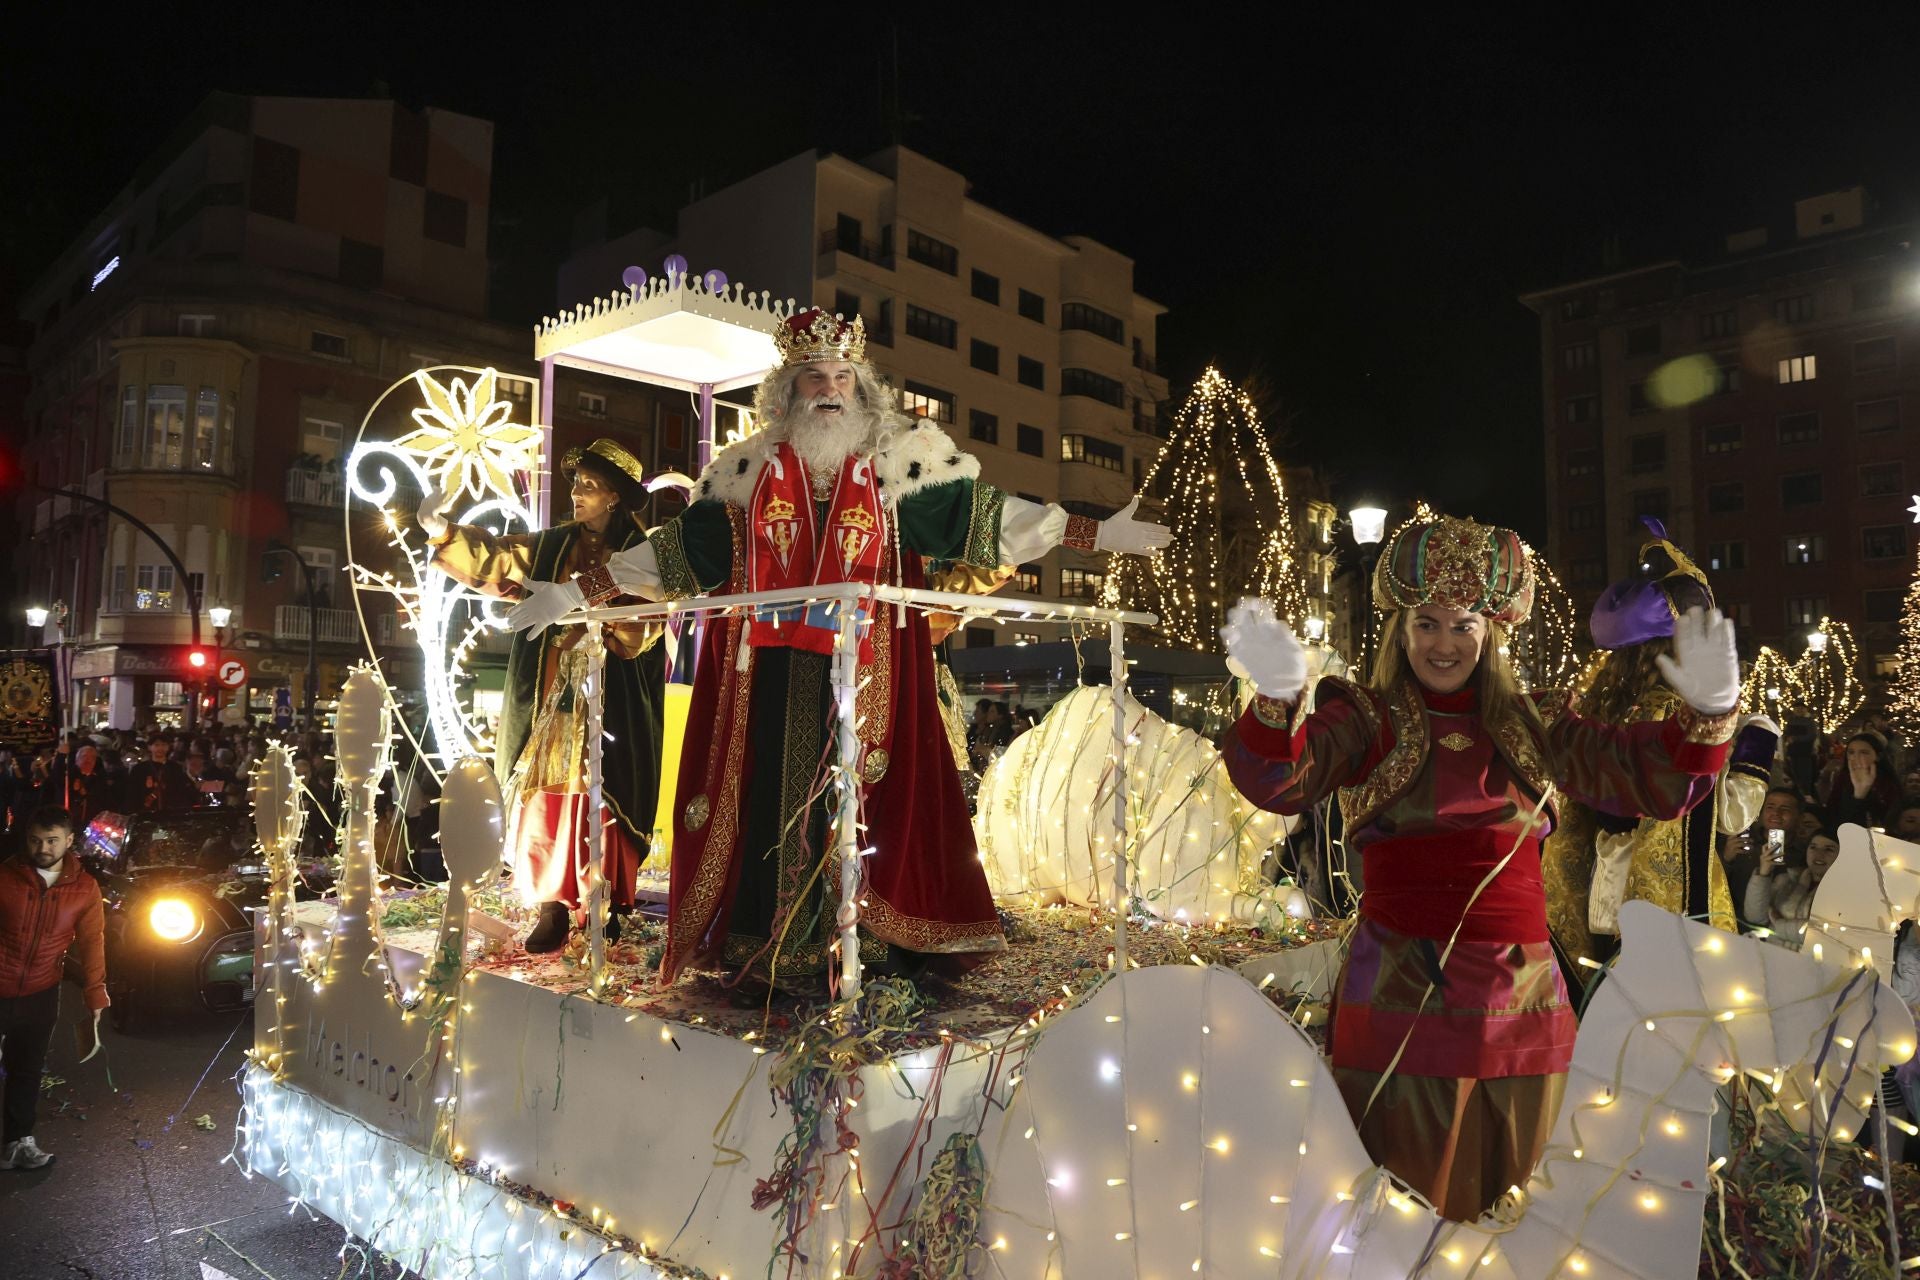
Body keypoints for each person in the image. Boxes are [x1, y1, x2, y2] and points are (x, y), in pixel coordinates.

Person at [505, 309, 1170, 988]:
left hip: (869, 670)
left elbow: (988, 520)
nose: (829, 388)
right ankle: (772, 948)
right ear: (788, 390)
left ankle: (868, 947)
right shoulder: (744, 473)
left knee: (865, 802)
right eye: (813, 377)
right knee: (771, 804)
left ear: (859, 385)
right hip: (770, 672)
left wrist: (1092, 532)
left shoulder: (900, 463)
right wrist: (577, 592)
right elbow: (676, 554)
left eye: (841, 376)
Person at [1218, 514, 1740, 1221]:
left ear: (1492, 629)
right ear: (1400, 628)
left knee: (1524, 1213)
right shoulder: (1365, 718)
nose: (1444, 642)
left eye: (1463, 623)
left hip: (1519, 997)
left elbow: (1653, 779)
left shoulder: (1536, 724)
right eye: (1426, 623)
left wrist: (1708, 713)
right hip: (1400, 988)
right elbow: (1278, 779)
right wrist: (1278, 700)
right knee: (1402, 1212)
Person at [421, 437, 667, 953]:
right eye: (575, 484)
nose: (576, 494)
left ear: (615, 497)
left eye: (589, 486)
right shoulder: (552, 545)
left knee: (606, 796)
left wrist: (596, 620)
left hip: (611, 698)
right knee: (547, 796)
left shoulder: (642, 551)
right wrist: (442, 531)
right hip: (553, 698)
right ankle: (551, 906)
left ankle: (606, 903)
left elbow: (650, 618)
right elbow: (499, 559)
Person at [1540, 521, 1778, 968]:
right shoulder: (1687, 716)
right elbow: (1732, 814)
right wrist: (1757, 746)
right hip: (1667, 907)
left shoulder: (1596, 709)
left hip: (1598, 893)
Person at [0, 807, 107, 1170]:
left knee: (27, 1069)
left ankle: (18, 1143)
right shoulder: (5, 876)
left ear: (69, 841)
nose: (42, 847)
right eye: (35, 840)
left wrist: (95, 993)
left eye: (51, 840)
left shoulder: (84, 888)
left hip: (41, 991)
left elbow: (92, 942)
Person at [1743, 824, 1840, 946]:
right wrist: (1764, 872)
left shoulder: (1845, 892)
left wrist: (1778, 924)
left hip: (1811, 963)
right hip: (1770, 957)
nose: (1818, 854)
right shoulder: (1787, 881)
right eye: (1813, 847)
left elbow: (1827, 936)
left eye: (1829, 849)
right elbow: (1754, 917)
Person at [1821, 731, 1903, 830]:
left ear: (1878, 756)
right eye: (1851, 752)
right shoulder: (1842, 778)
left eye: (1864, 752)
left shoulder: (1888, 783)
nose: (1856, 757)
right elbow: (1832, 812)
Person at [125, 736, 194, 813]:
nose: (160, 748)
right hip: (145, 811)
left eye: (164, 745)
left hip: (171, 811)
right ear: (149, 747)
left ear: (168, 747)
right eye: (156, 745)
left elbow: (181, 790)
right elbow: (133, 792)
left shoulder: (175, 768)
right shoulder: (140, 769)